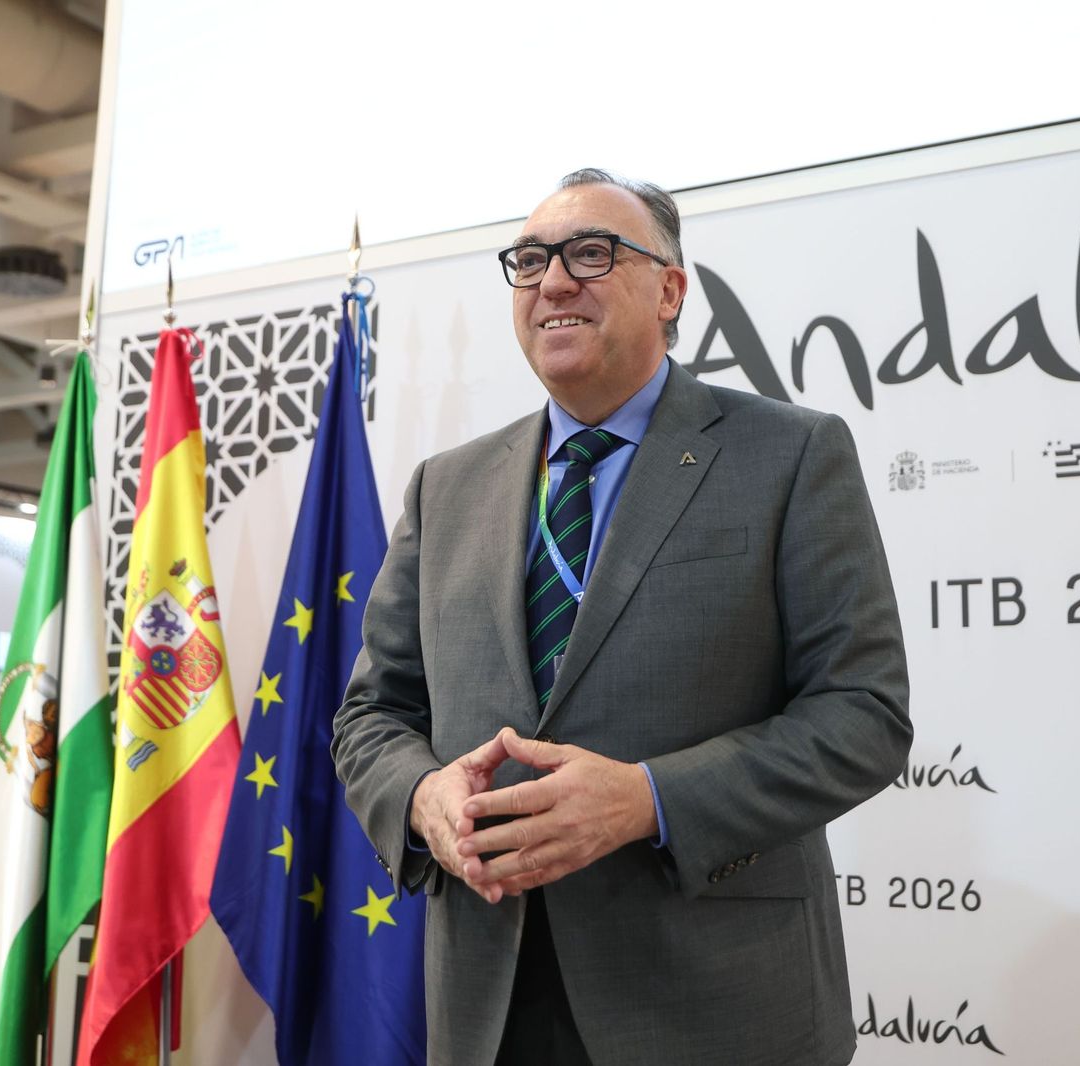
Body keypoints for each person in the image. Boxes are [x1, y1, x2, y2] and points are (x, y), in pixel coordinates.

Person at [333, 168, 911, 1066]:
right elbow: (372, 716)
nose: (553, 281)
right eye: (529, 261)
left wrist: (647, 800)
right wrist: (423, 796)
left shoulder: (790, 455)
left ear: (671, 289)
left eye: (590, 253)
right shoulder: (447, 487)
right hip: (489, 1005)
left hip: (718, 1009)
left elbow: (862, 717)